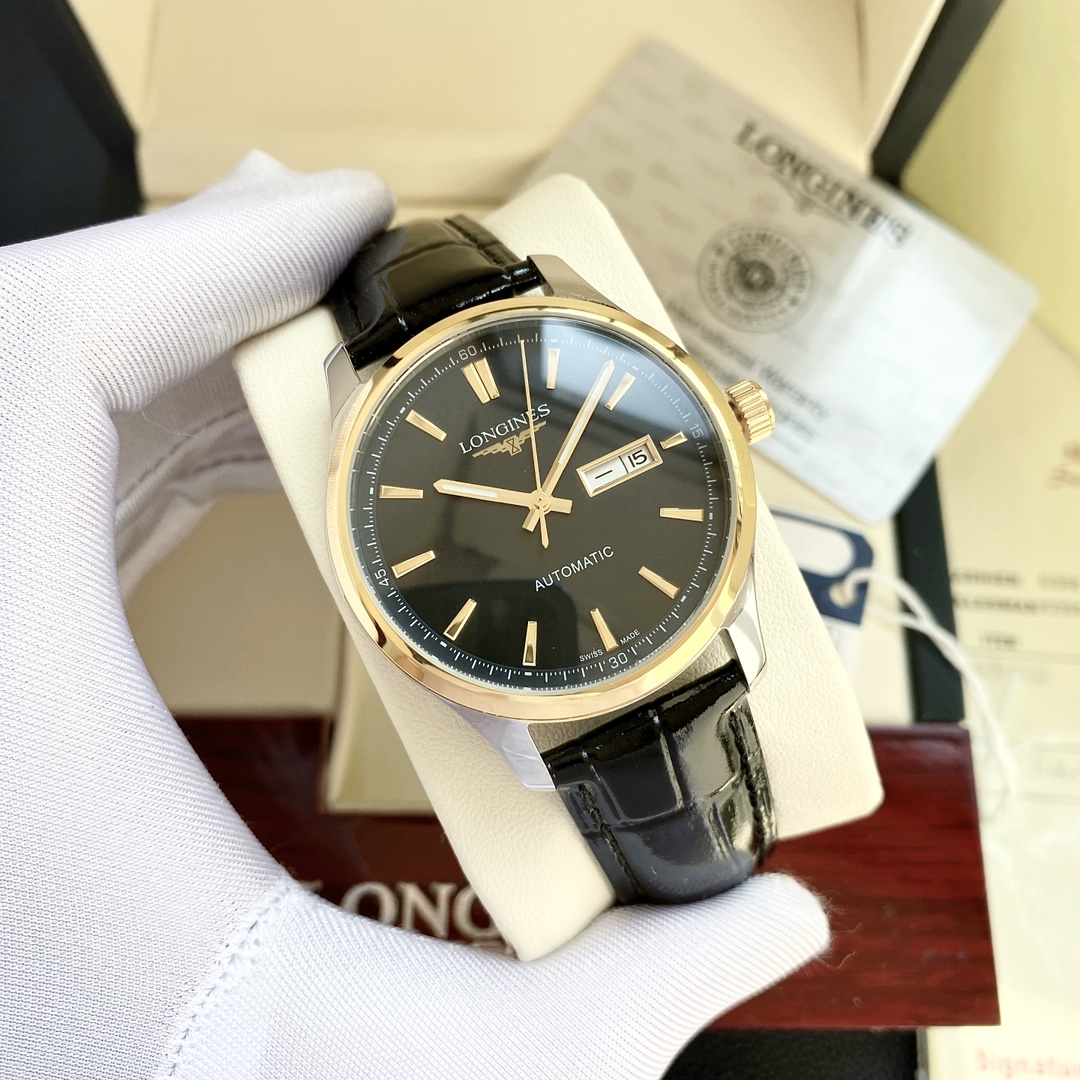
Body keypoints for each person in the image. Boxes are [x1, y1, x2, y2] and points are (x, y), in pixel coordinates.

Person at [0, 152, 828, 1079]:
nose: (541, 509)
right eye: (527, 507)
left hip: (677, 633)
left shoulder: (604, 365)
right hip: (547, 676)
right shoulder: (412, 537)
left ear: (731, 415)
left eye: (544, 501)